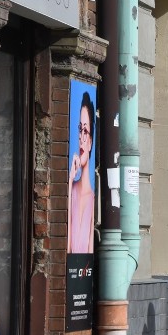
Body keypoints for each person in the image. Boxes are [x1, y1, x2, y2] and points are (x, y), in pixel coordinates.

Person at [68, 92, 96, 254]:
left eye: (85, 131)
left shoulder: (92, 198)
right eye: (80, 129)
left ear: (91, 142)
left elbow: (89, 252)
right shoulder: (71, 189)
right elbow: (67, 247)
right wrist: (71, 179)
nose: (80, 137)